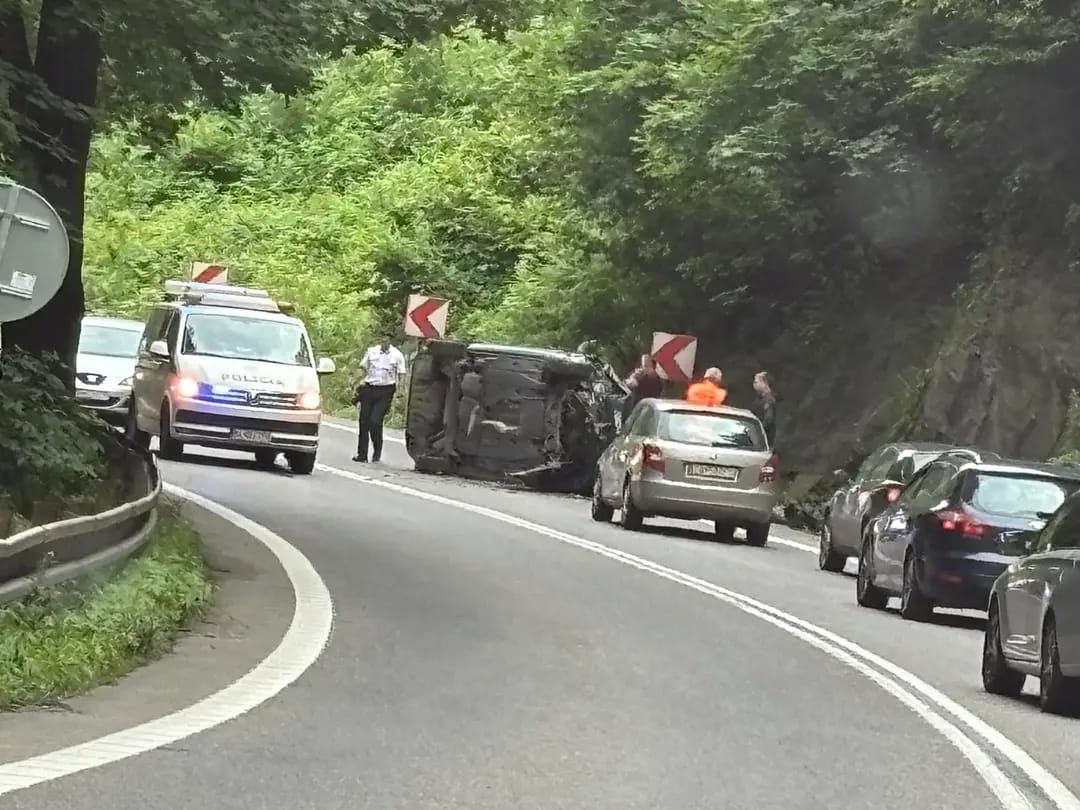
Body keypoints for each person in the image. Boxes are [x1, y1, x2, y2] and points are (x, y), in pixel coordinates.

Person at [353, 332, 407, 463]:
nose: (384, 341)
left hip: (386, 390)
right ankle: (362, 454)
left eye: (387, 339)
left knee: (375, 421)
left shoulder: (397, 355)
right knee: (364, 421)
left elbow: (401, 374)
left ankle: (377, 452)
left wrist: (401, 390)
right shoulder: (372, 352)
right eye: (382, 339)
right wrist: (357, 382)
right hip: (369, 388)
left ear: (390, 341)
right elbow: (363, 368)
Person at [622, 353, 664, 418]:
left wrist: (633, 376)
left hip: (638, 411)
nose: (642, 367)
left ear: (650, 363)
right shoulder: (658, 378)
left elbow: (630, 384)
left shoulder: (641, 376)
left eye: (644, 365)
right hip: (651, 411)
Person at [751, 370, 777, 446]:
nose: (754, 385)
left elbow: (768, 420)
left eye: (756, 382)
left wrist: (758, 431)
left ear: (764, 383)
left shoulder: (769, 400)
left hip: (763, 439)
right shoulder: (760, 398)